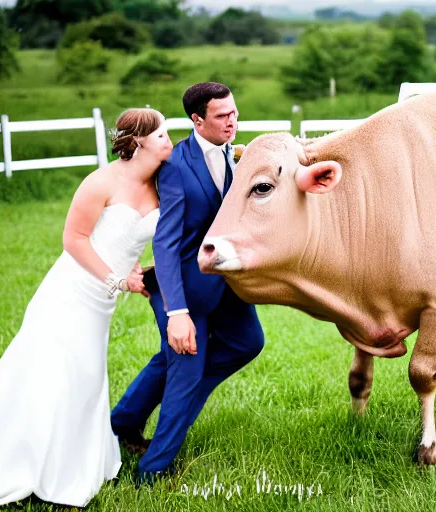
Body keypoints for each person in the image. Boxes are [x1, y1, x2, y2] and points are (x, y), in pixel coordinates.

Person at [0, 108, 172, 511]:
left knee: (86, 376)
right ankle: (29, 463)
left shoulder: (161, 183)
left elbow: (140, 239)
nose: (168, 140)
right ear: (140, 141)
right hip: (71, 293)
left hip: (103, 301)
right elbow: (74, 238)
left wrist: (136, 273)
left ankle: (74, 459)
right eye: (161, 134)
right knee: (53, 374)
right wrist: (118, 280)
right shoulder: (102, 181)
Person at [110, 82, 265, 483]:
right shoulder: (178, 165)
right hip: (180, 288)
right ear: (197, 120)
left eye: (234, 112)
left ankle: (122, 422)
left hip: (222, 281)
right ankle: (153, 470)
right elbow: (166, 240)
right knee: (185, 368)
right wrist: (177, 313)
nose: (232, 121)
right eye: (221, 116)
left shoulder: (234, 153)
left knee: (248, 343)